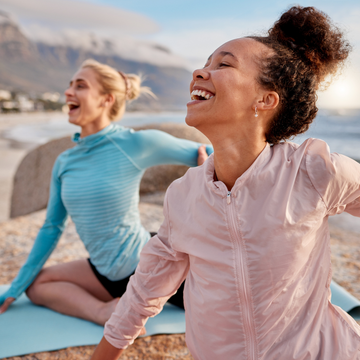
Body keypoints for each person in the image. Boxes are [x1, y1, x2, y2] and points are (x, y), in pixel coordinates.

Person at [91, 6, 360, 360]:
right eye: (206, 62)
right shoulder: (184, 195)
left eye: (224, 64)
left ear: (265, 100)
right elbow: (143, 293)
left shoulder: (312, 170)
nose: (199, 72)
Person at [0, 59, 212, 326]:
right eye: (69, 85)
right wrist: (16, 286)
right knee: (38, 285)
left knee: (215, 308)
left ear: (106, 99)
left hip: (148, 264)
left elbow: (211, 154)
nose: (68, 92)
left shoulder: (135, 143)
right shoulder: (65, 162)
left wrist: (209, 175)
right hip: (105, 273)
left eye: (80, 85)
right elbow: (52, 226)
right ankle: (103, 312)